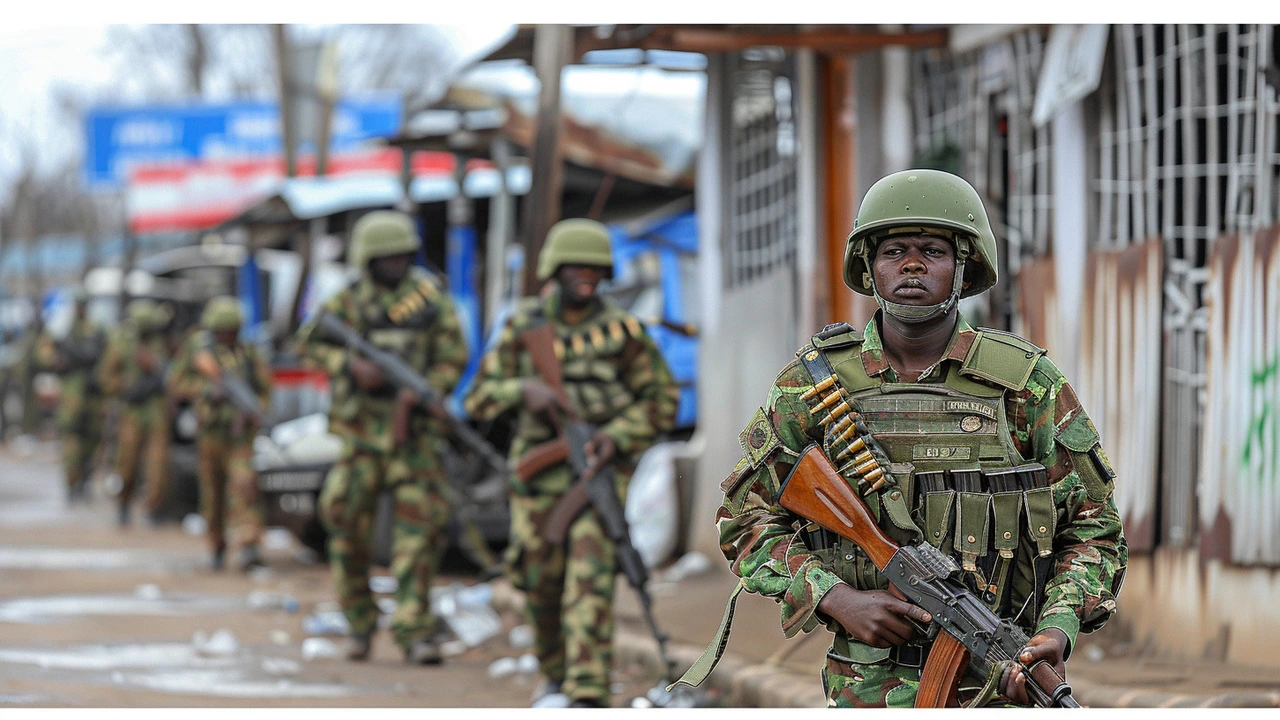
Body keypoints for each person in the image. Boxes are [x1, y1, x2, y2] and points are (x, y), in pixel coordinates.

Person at [675, 169, 1127, 707]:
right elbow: (745, 518)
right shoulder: (816, 385)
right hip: (865, 688)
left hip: (999, 683)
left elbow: (1094, 529)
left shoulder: (1025, 385)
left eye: (933, 250)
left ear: (964, 267)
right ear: (869, 268)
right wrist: (836, 598)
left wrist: (1055, 631)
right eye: (894, 251)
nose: (913, 265)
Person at [464, 218, 680, 708]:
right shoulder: (525, 327)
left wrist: (616, 435)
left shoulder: (623, 330)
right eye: (576, 268)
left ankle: (587, 690)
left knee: (591, 571)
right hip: (539, 476)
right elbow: (477, 398)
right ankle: (555, 673)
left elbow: (661, 399)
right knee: (539, 580)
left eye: (595, 269)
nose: (586, 277)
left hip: (598, 469)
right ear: (554, 270)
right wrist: (524, 390)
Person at [295, 210, 467, 665]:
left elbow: (454, 355)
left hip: (414, 439)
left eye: (402, 256)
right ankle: (359, 623)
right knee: (346, 528)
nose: (395, 265)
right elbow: (308, 342)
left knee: (419, 536)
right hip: (361, 437)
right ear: (367, 259)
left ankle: (413, 631)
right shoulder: (347, 304)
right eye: (386, 258)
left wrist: (425, 389)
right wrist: (350, 367)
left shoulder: (430, 299)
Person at [167, 296, 272, 571]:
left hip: (240, 436)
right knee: (212, 494)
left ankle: (249, 545)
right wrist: (207, 391)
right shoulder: (199, 352)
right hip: (210, 433)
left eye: (231, 331)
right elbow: (177, 383)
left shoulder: (248, 356)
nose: (227, 336)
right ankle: (216, 546)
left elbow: (264, 391)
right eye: (222, 331)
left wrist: (250, 411)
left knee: (244, 486)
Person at [98, 298, 172, 528]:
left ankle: (154, 507)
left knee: (157, 463)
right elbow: (106, 377)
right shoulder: (123, 345)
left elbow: (172, 375)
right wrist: (126, 386)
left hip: (156, 412)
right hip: (132, 413)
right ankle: (123, 504)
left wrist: (156, 369)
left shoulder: (160, 345)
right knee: (126, 462)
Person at [36, 290, 107, 503]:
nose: (80, 309)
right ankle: (72, 484)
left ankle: (85, 481)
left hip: (93, 394)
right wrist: (55, 361)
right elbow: (43, 352)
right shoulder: (63, 329)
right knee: (71, 443)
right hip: (72, 395)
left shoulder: (96, 329)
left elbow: (105, 356)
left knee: (92, 442)